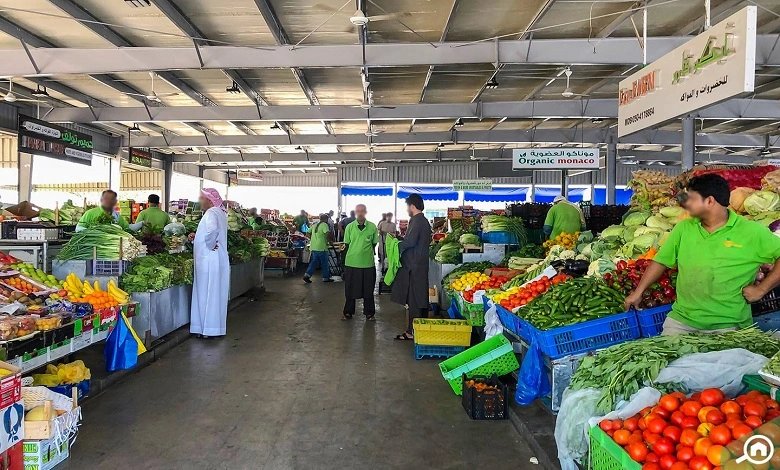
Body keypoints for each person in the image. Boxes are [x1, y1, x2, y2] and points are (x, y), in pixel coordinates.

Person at [625, 174, 780, 335]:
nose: (685, 204)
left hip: (729, 325)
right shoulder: (683, 228)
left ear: (710, 201)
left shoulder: (751, 232)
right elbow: (660, 262)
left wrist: (762, 289)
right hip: (681, 321)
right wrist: (638, 292)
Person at [190, 188, 229, 338]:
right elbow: (211, 231)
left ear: (210, 200)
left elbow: (212, 231)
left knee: (206, 291)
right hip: (215, 259)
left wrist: (210, 244)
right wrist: (198, 236)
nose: (200, 201)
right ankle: (211, 328)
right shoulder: (220, 213)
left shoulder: (211, 212)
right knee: (214, 292)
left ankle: (206, 329)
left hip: (208, 260)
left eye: (201, 198)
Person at [392, 195, 432, 340]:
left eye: (407, 206)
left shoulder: (417, 220)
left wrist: (395, 244)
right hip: (419, 264)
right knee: (420, 297)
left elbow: (410, 242)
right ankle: (420, 329)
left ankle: (411, 332)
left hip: (414, 265)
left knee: (415, 298)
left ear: (412, 206)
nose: (407, 209)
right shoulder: (423, 221)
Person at [342, 204, 379, 321]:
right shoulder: (349, 227)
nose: (360, 213)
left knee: (368, 290)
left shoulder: (372, 227)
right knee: (350, 289)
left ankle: (369, 313)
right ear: (355, 213)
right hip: (351, 263)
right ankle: (348, 312)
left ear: (365, 212)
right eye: (358, 211)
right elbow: (347, 244)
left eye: (362, 211)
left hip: (367, 264)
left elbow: (374, 243)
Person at [304, 214, 334, 283]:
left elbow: (307, 233)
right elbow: (327, 234)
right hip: (322, 247)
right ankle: (326, 277)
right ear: (326, 219)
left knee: (314, 262)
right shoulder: (325, 225)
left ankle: (307, 275)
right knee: (324, 263)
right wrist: (330, 242)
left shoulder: (314, 224)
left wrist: (313, 239)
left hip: (314, 247)